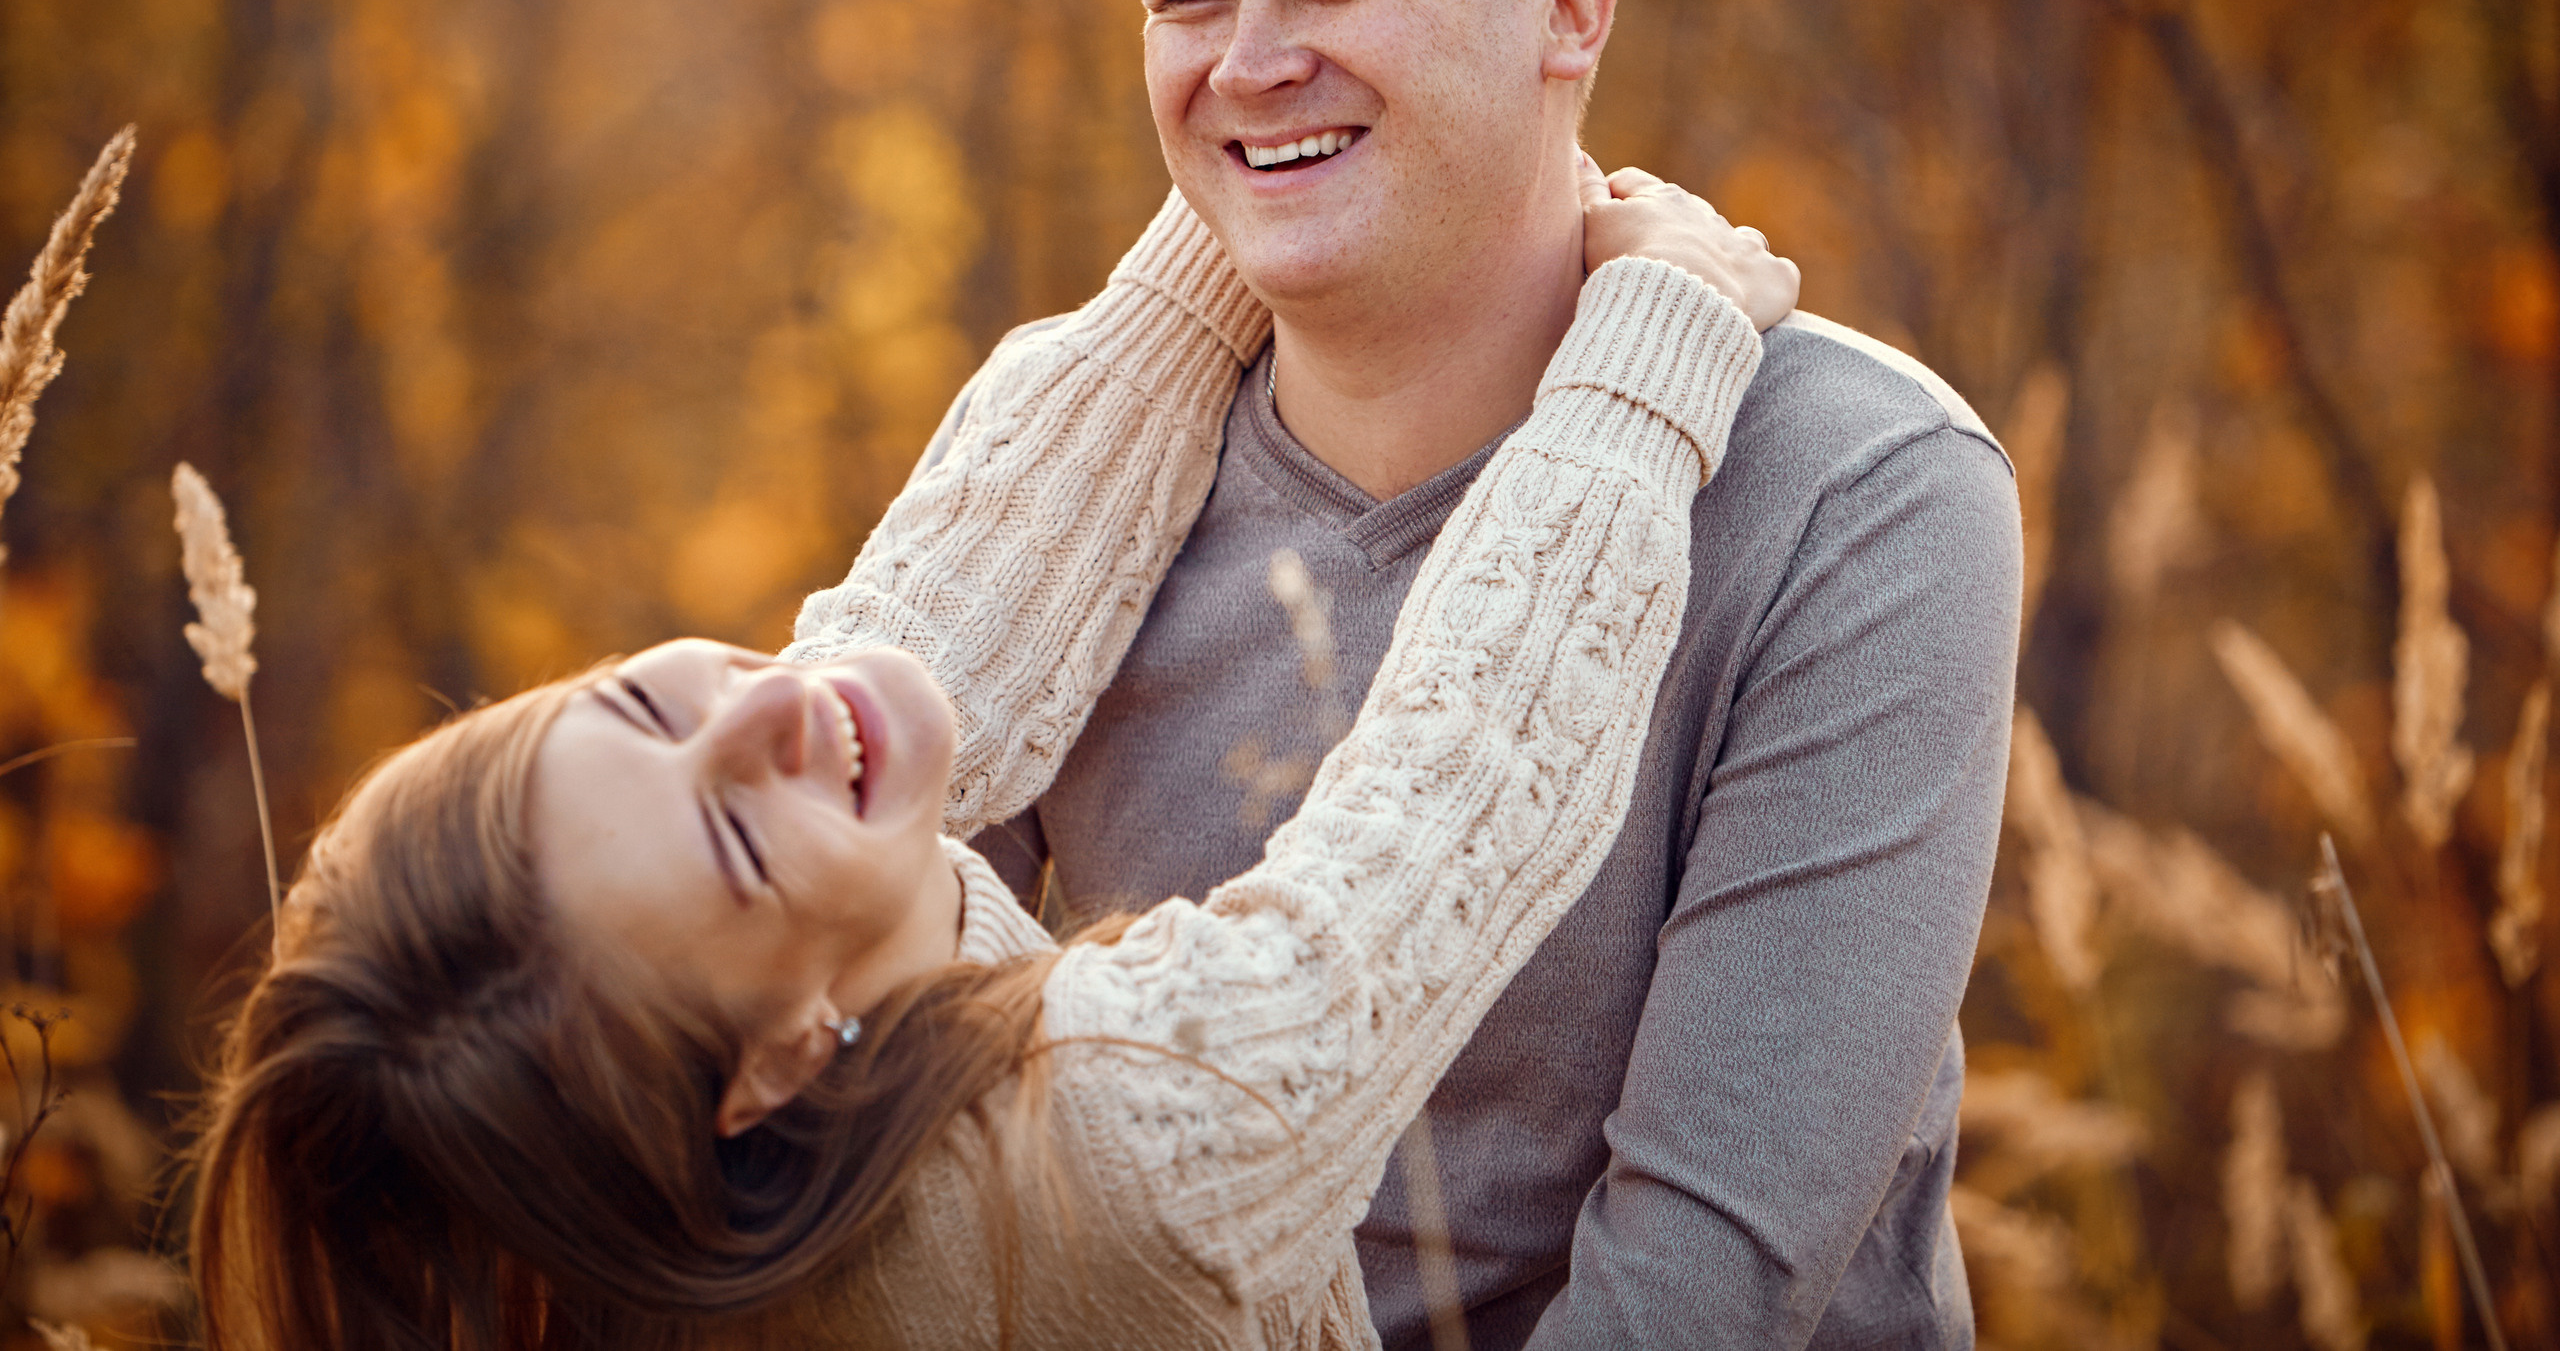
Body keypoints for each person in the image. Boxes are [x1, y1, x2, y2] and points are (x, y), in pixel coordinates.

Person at [806, 0, 2022, 1346]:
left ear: (1571, 4)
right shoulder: (1071, 458)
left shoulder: (1860, 485)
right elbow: (843, 1023)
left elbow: (1703, 1287)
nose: (1248, 62)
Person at [187, 188, 1800, 1349]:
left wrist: (1258, 179)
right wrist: (1655, 350)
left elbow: (951, 613)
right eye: (734, 842)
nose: (761, 718)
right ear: (765, 1078)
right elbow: (1459, 787)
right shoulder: (1117, 1162)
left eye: (635, 709)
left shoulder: (701, 1168)